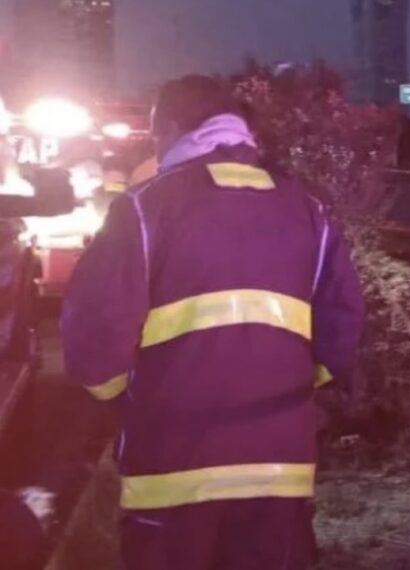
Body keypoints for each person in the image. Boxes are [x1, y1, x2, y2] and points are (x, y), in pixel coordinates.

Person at [61, 75, 365, 569]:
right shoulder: (309, 210)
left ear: (176, 128)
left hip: (171, 470)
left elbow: (95, 341)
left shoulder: (143, 209)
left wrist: (124, 395)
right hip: (279, 468)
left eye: (156, 135)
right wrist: (288, 394)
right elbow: (341, 328)